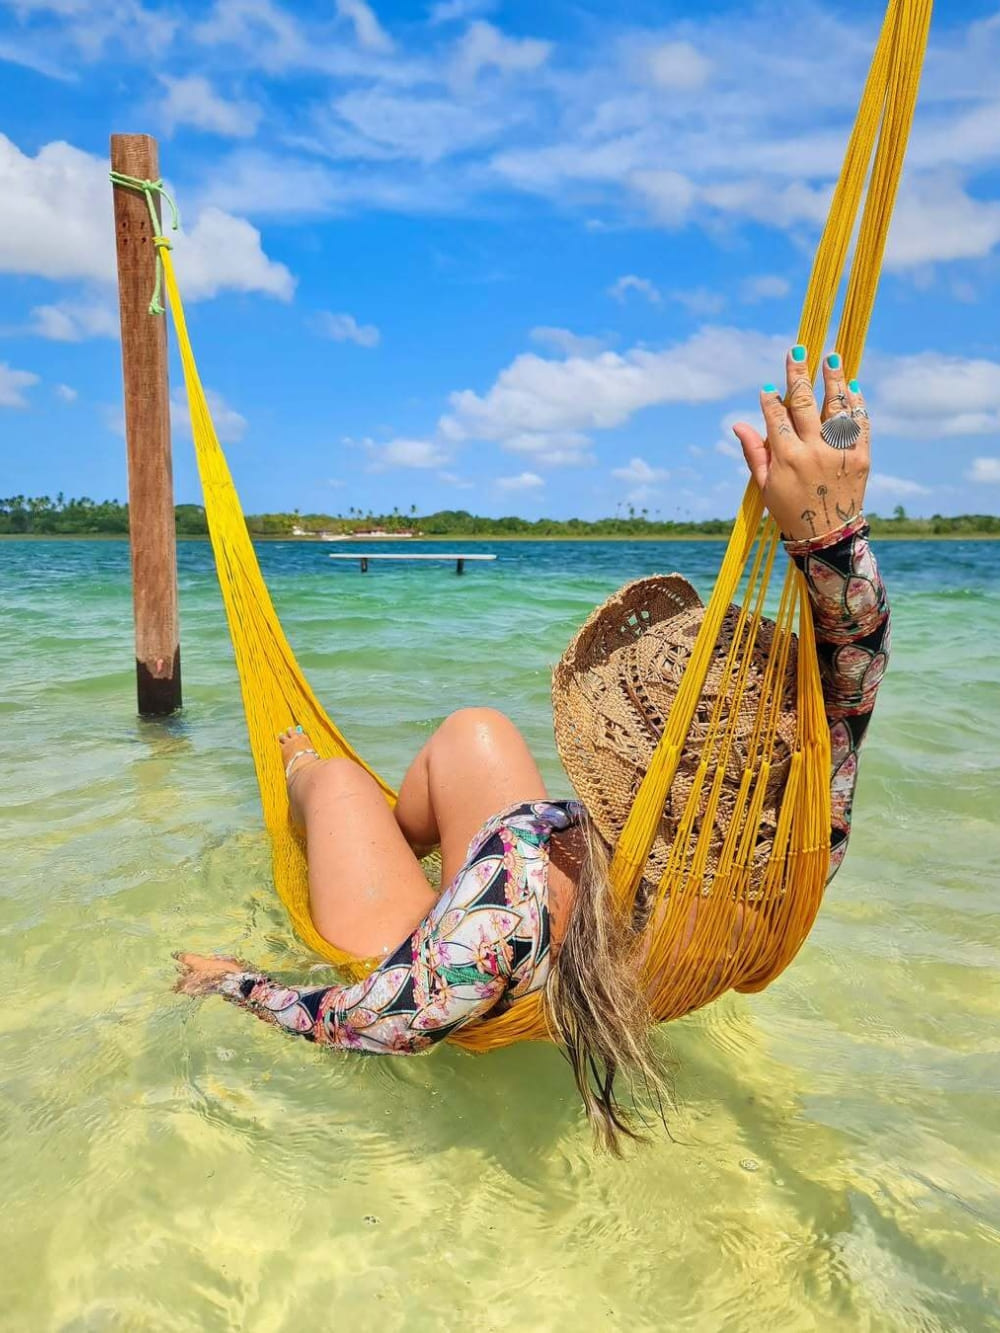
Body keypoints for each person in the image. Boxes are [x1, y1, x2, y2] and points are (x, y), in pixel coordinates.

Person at [175, 346, 890, 1149]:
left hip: (441, 956)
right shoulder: (795, 849)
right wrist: (831, 531)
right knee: (476, 730)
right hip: (591, 931)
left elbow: (363, 1020)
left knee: (339, 781)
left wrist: (230, 982)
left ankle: (309, 776)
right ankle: (396, 839)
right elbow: (854, 666)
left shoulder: (504, 913)